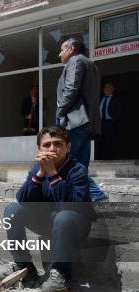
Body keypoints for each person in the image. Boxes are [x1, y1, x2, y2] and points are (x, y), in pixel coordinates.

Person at [2, 126, 93, 292]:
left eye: (58, 144)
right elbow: (23, 200)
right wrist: (40, 175)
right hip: (48, 221)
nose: (52, 149)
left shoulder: (77, 169)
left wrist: (52, 174)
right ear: (39, 149)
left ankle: (60, 274)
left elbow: (71, 205)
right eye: (47, 145)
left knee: (64, 216)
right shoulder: (37, 168)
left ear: (68, 147)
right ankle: (24, 267)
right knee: (12, 210)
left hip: (74, 224)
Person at [56, 37, 106, 201]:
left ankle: (97, 195)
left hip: (76, 122)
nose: (59, 54)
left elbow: (71, 89)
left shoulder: (75, 61)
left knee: (65, 163)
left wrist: (60, 111)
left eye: (62, 49)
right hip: (88, 124)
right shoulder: (92, 65)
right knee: (80, 166)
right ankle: (83, 201)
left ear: (72, 49)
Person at [96, 82, 119, 160]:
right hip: (100, 122)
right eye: (105, 87)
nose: (105, 89)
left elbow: (118, 112)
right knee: (100, 141)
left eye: (108, 87)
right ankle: (101, 158)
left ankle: (112, 158)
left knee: (110, 141)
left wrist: (114, 121)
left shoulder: (115, 99)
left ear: (113, 89)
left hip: (109, 123)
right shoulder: (100, 98)